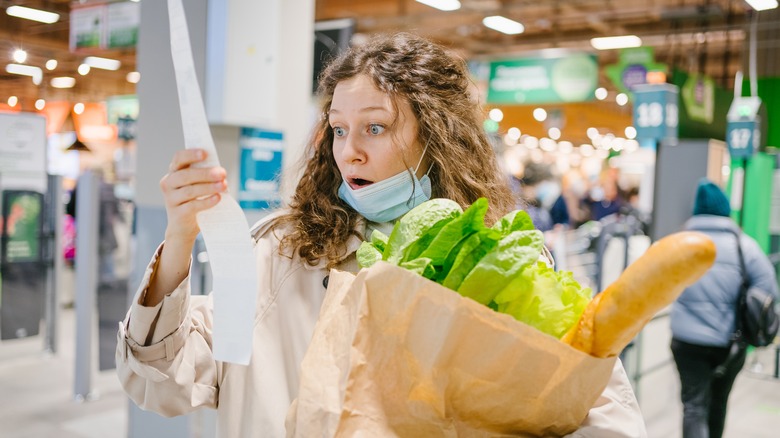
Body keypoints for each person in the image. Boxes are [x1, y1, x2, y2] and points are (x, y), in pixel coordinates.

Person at [116, 33, 645, 437]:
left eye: (375, 127)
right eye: (339, 130)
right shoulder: (282, 253)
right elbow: (162, 379)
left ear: (437, 138)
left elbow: (605, 416)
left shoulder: (502, 262)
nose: (349, 152)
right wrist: (181, 238)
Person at [670, 178, 779, 438]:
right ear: (725, 209)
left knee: (694, 406)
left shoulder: (677, 245)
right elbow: (769, 292)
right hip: (728, 344)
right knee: (718, 403)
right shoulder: (745, 247)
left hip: (686, 342)